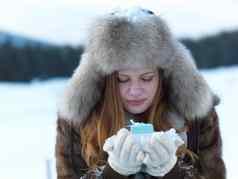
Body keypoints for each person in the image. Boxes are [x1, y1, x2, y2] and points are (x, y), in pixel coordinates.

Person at [55, 7, 226, 179]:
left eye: (146, 78)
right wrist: (112, 173)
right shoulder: (77, 121)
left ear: (162, 75)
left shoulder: (197, 117)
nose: (135, 91)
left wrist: (173, 173)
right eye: (123, 79)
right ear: (107, 79)